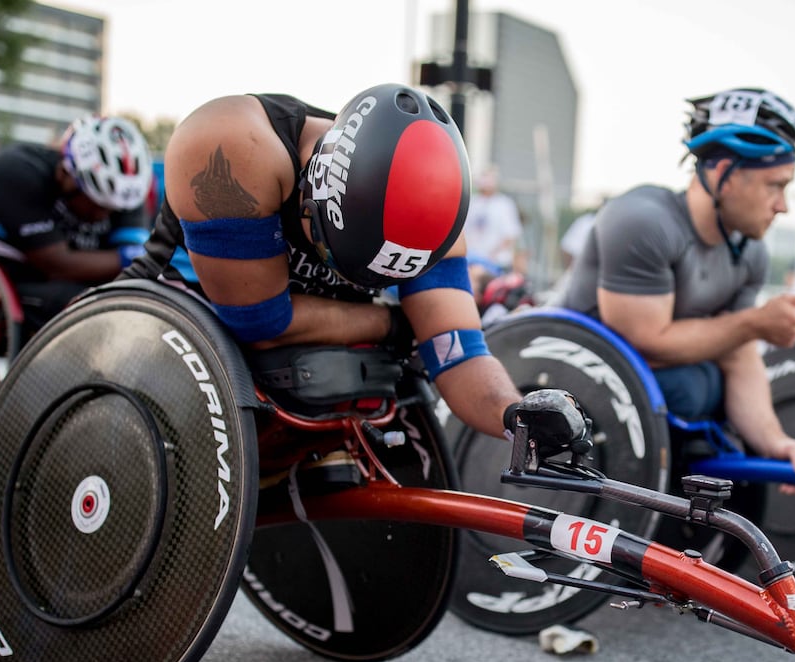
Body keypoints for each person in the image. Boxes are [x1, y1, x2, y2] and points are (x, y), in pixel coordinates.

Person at [120, 85, 521, 440]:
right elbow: (261, 324)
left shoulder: (438, 223)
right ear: (313, 186)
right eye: (333, 254)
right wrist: (396, 324)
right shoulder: (233, 143)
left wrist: (517, 417)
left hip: (298, 369)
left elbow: (458, 354)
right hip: (161, 335)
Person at [557, 87, 795, 474]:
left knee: (705, 386)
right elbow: (642, 345)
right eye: (775, 185)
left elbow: (738, 350)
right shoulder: (643, 219)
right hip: (576, 386)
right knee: (691, 386)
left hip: (648, 405)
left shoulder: (751, 251)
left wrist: (773, 441)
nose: (783, 205)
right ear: (724, 174)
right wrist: (754, 323)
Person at [0, 115, 153, 331]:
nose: (104, 215)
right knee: (84, 306)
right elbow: (57, 266)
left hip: (59, 283)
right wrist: (131, 257)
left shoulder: (125, 193)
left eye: (114, 208)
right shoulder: (15, 170)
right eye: (97, 203)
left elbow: (136, 271)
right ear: (65, 174)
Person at [463, 166, 525, 272]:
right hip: (472, 262)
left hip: (496, 263)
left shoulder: (504, 204)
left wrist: (491, 255)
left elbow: (510, 235)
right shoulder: (472, 202)